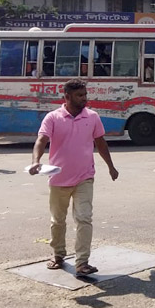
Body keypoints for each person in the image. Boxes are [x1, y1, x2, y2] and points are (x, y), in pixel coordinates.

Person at [28, 78, 119, 277]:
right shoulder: (53, 117)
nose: (84, 99)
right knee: (58, 221)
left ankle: (82, 262)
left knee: (84, 219)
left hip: (85, 177)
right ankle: (59, 255)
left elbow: (100, 143)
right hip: (58, 179)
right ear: (67, 97)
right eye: (79, 95)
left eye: (85, 94)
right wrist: (36, 161)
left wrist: (111, 167)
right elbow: (41, 140)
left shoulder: (92, 117)